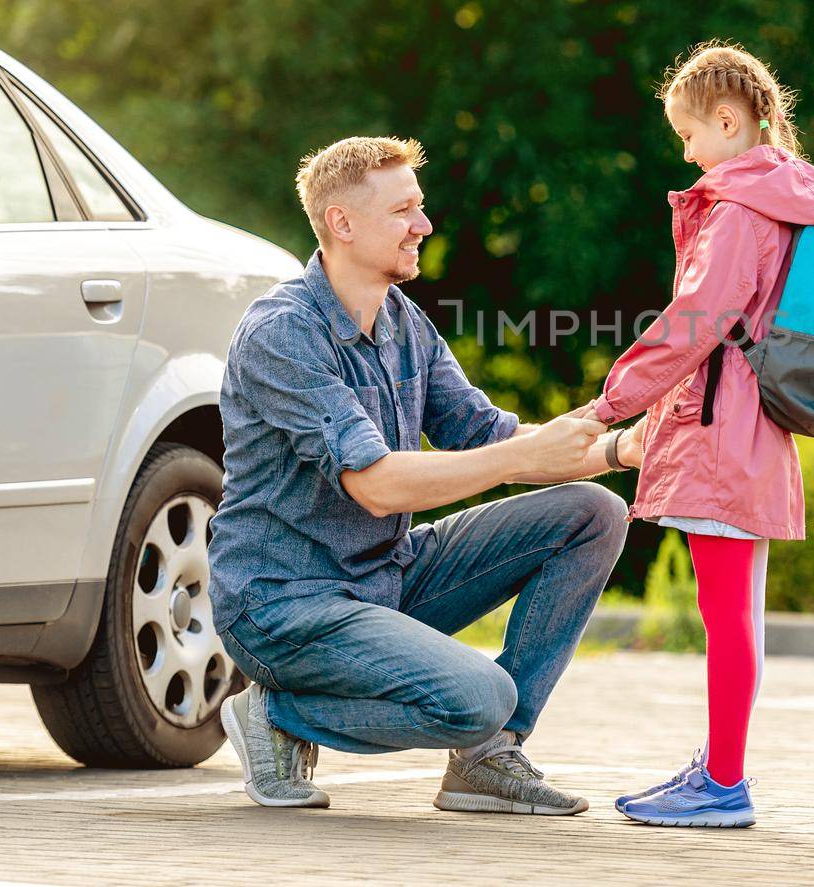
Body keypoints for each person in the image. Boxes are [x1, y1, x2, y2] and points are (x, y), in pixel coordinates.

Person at [207, 135, 642, 816]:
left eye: (421, 205)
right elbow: (375, 483)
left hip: (384, 574)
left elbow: (490, 437)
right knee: (478, 697)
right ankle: (280, 710)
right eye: (403, 209)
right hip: (285, 605)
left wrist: (622, 448)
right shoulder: (282, 332)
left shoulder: (403, 320)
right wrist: (521, 456)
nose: (424, 225)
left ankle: (485, 758)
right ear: (342, 223)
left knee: (594, 511)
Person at [587, 42, 814, 827]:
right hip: (756, 429)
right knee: (740, 612)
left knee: (726, 611)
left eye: (689, 134)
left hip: (719, 424)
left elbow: (698, 319)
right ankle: (721, 765)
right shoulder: (790, 200)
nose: (688, 152)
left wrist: (613, 398)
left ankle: (725, 784)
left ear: (729, 120)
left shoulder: (740, 209)